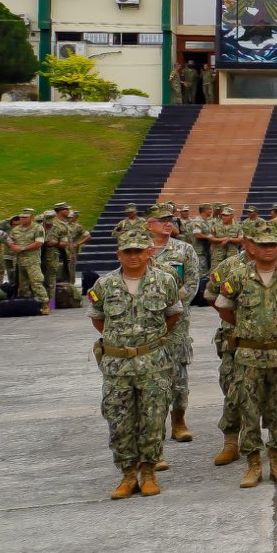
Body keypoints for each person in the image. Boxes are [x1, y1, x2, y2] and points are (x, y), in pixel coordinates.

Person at [89, 229, 184, 499]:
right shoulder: (104, 285)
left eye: (138, 251)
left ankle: (149, 472)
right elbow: (98, 318)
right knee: (119, 421)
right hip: (117, 367)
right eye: (127, 251)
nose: (133, 256)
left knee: (153, 419)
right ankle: (128, 474)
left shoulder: (165, 281)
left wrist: (148, 342)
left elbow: (173, 314)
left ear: (148, 253)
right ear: (118, 254)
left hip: (153, 364)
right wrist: (121, 342)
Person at [214, 223, 277, 487]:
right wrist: (249, 329)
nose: (268, 249)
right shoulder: (238, 276)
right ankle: (253, 464)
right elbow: (225, 308)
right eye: (262, 245)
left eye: (273, 245)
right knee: (249, 409)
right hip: (248, 354)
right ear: (252, 247)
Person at [144, 204, 202, 444]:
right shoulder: (139, 249)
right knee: (148, 374)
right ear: (150, 224)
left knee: (178, 374)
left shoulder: (184, 249)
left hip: (176, 322)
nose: (169, 223)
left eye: (171, 220)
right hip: (146, 323)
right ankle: (153, 424)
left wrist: (171, 307)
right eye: (163, 220)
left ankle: (179, 421)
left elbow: (192, 284)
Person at [6, 209, 49, 312]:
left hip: (32, 260)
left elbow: (39, 243)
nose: (22, 219)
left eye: (25, 217)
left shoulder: (37, 228)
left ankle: (45, 304)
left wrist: (22, 248)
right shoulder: (15, 229)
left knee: (36, 282)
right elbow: (9, 240)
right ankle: (27, 304)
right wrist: (12, 246)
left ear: (31, 217)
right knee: (23, 285)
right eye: (21, 217)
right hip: (19, 261)